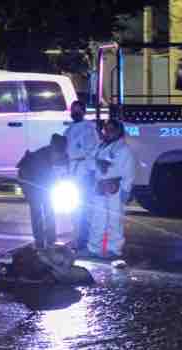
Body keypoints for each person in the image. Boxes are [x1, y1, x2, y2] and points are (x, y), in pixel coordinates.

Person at [87, 119, 136, 260]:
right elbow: (90, 162)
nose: (108, 132)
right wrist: (99, 164)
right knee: (97, 219)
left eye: (111, 130)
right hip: (99, 187)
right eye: (106, 129)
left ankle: (114, 250)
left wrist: (125, 191)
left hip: (115, 188)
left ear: (118, 131)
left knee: (114, 221)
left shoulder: (124, 149)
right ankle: (94, 248)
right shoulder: (100, 146)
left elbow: (129, 172)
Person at [17, 133, 68, 250]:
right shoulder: (39, 159)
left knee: (49, 209)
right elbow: (43, 180)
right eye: (57, 153)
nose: (59, 156)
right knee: (37, 211)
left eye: (61, 153)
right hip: (29, 180)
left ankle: (51, 239)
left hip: (42, 181)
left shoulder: (62, 155)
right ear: (53, 147)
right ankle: (39, 241)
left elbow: (62, 172)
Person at [63, 100, 100, 250]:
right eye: (73, 110)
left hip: (83, 172)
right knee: (74, 208)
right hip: (72, 172)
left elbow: (92, 151)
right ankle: (77, 237)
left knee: (83, 207)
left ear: (83, 112)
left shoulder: (88, 129)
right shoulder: (69, 129)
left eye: (78, 110)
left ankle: (84, 240)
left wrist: (90, 171)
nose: (75, 112)